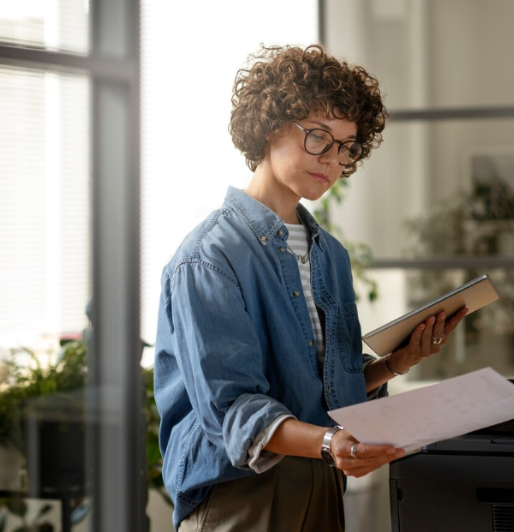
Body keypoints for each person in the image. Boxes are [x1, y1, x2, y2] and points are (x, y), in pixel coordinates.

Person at [153, 44, 468, 532]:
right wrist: (328, 442)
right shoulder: (208, 258)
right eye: (319, 137)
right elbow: (232, 409)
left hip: (321, 480)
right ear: (270, 126)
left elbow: (321, 391)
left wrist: (396, 362)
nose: (333, 160)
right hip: (242, 494)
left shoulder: (330, 255)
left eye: (346, 147)